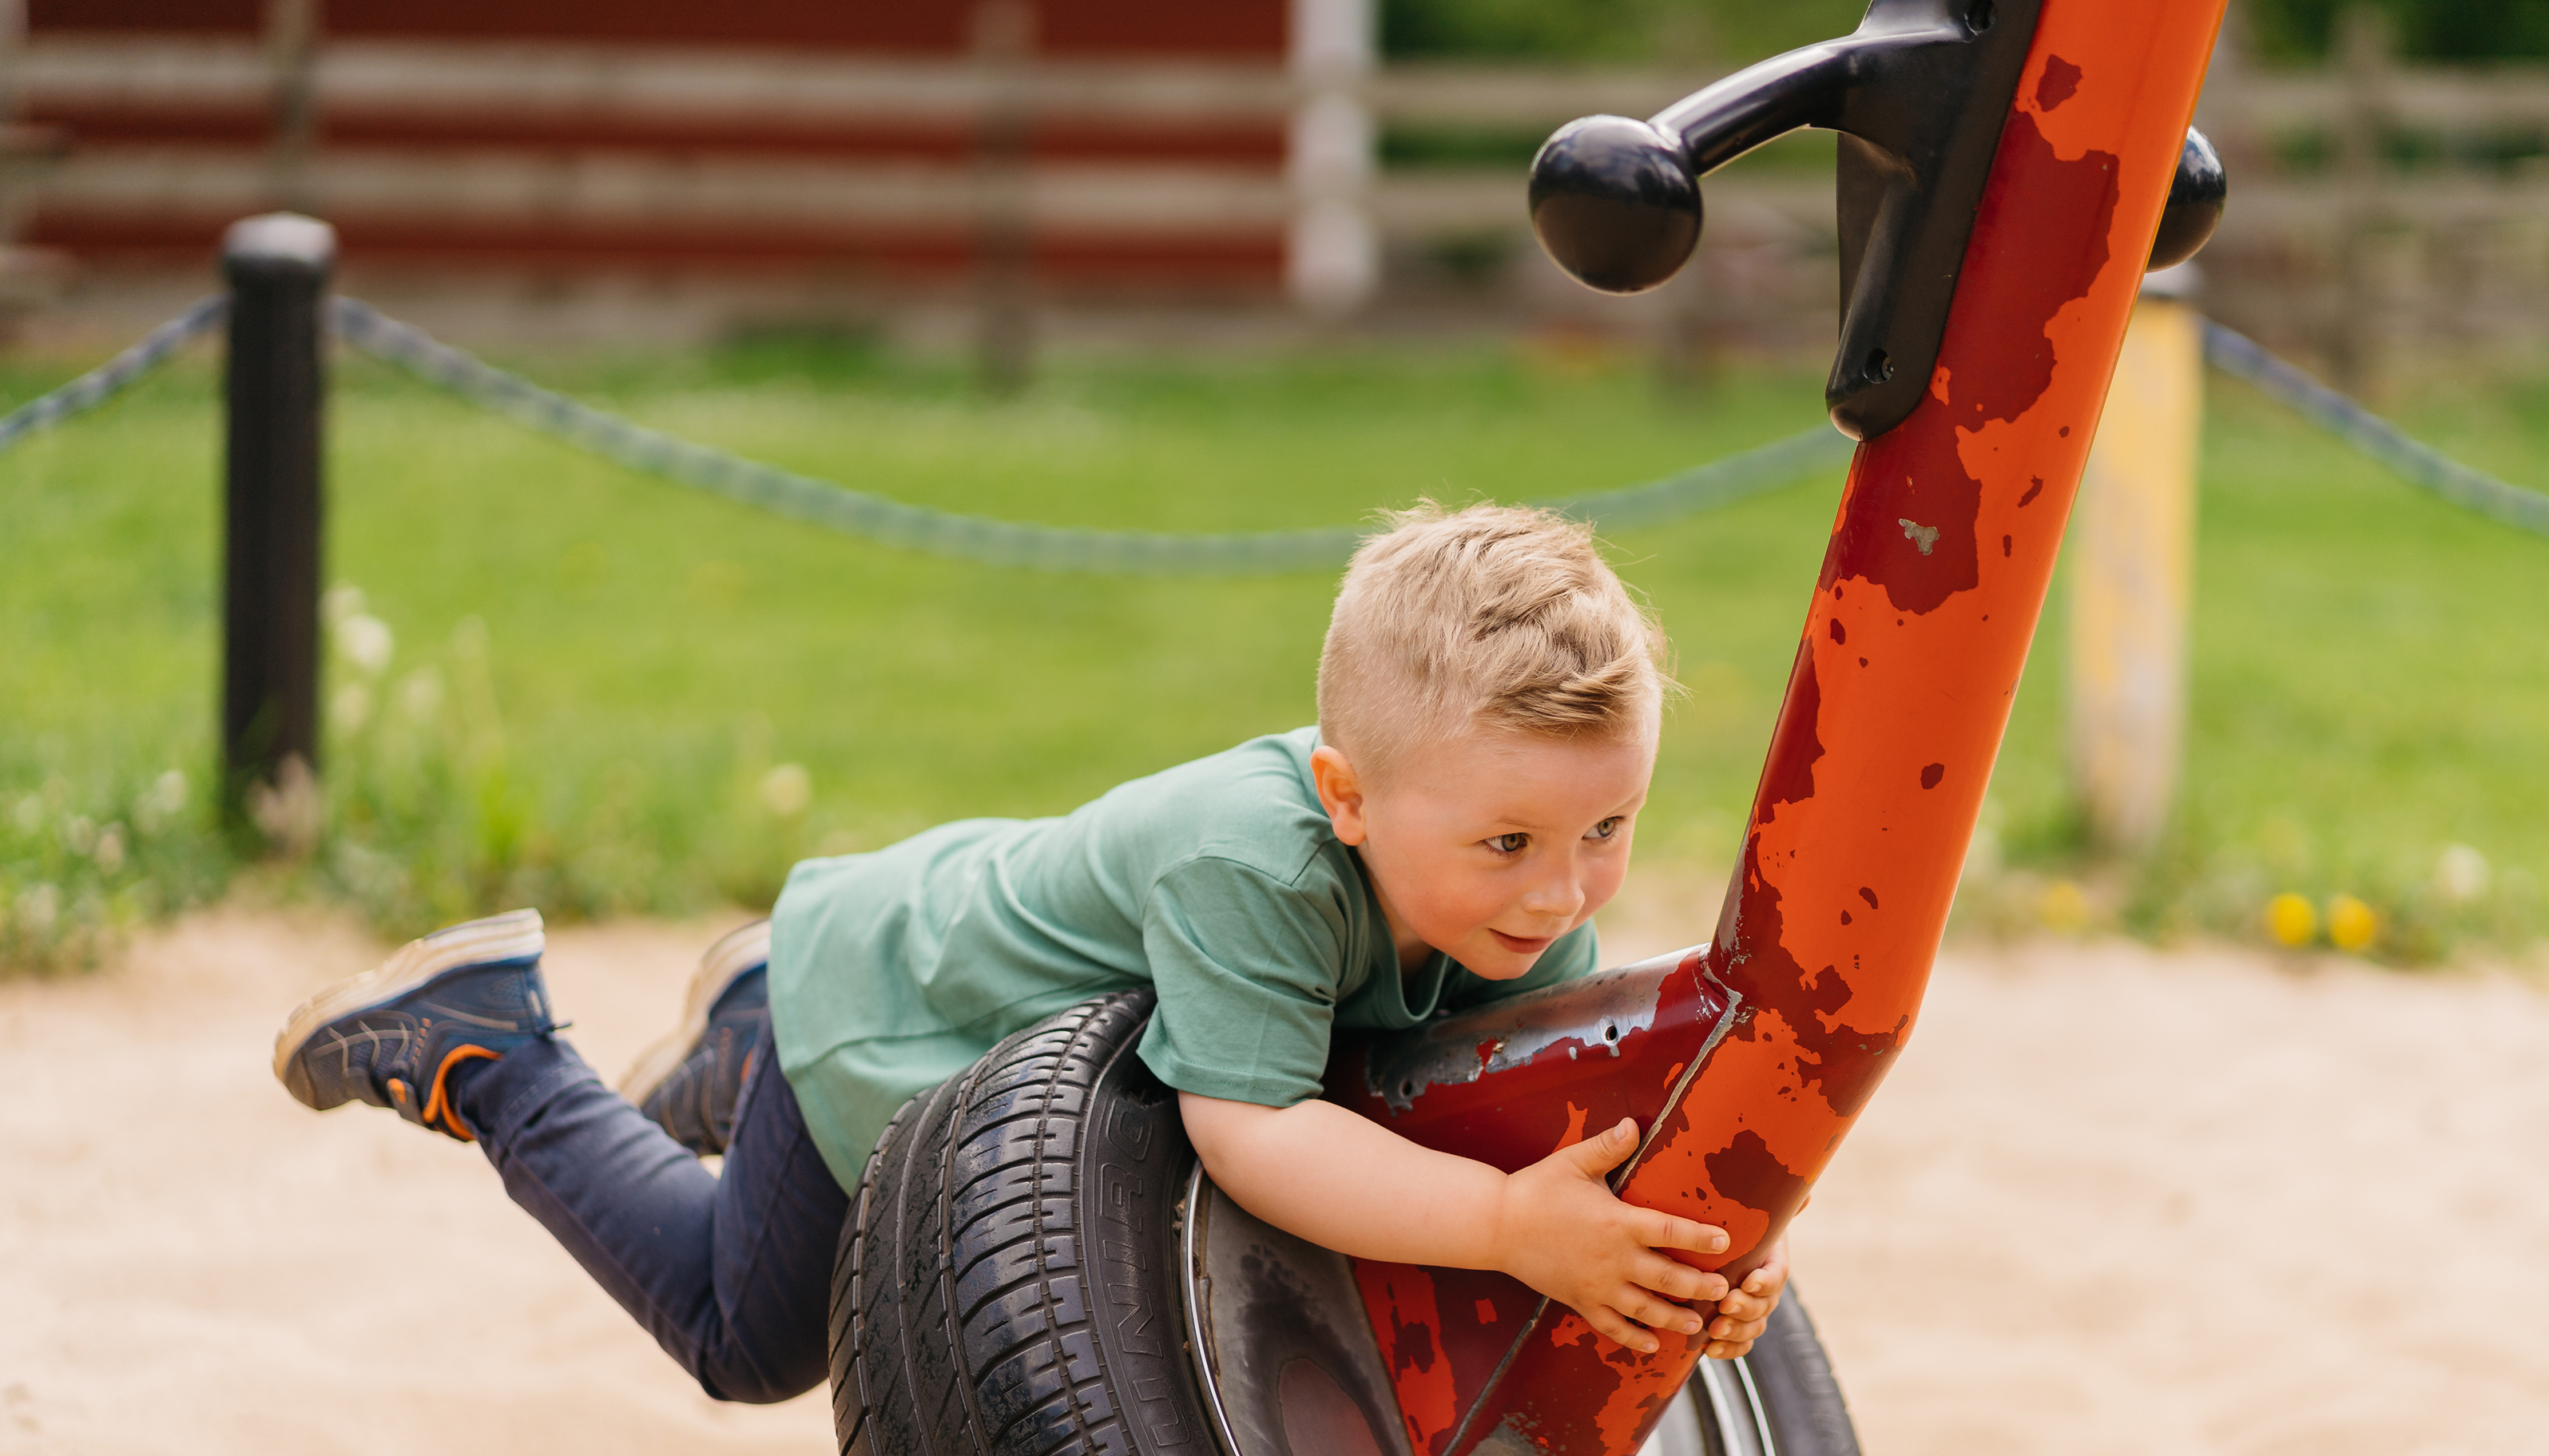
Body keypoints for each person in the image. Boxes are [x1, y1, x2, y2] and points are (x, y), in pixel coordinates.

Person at [269, 502, 1791, 1406]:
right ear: (1348, 796)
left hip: (952, 940)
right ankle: (499, 1048)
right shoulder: (1252, 863)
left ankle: (738, 1022)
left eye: (1610, 825)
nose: (1563, 891)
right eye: (1511, 843)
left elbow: (1561, 1119)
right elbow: (1255, 1134)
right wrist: (1515, 1232)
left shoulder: (1515, 882)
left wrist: (1702, 1249)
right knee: (743, 1337)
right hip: (899, 1021)